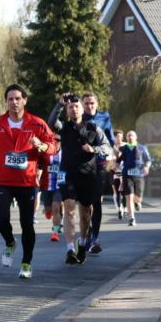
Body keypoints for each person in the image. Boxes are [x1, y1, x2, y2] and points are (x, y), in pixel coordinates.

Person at [0, 84, 58, 279]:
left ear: (24, 100)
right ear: (6, 102)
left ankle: (26, 263)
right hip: (2, 180)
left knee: (27, 224)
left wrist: (41, 145)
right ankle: (9, 242)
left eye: (17, 98)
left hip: (27, 182)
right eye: (10, 99)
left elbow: (53, 147)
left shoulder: (37, 124)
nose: (14, 102)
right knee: (2, 220)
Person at [47, 93, 112, 264]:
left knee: (85, 214)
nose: (74, 109)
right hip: (67, 174)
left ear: (82, 109)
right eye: (70, 107)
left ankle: (82, 244)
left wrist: (94, 150)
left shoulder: (93, 128)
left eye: (76, 106)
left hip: (87, 175)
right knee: (68, 208)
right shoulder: (63, 127)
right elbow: (51, 123)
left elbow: (108, 148)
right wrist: (59, 105)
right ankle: (69, 250)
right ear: (67, 110)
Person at [81, 92, 115, 254]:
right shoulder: (78, 118)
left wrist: (111, 157)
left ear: (97, 103)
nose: (90, 106)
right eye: (86, 103)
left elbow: (111, 141)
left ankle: (94, 237)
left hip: (100, 164)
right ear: (82, 105)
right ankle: (85, 234)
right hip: (81, 165)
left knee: (96, 201)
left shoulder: (104, 117)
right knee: (85, 203)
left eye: (92, 103)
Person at [118, 131, 152, 226]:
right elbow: (118, 160)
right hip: (127, 174)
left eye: (131, 135)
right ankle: (132, 218)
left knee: (138, 198)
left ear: (136, 137)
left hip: (139, 175)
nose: (130, 137)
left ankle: (137, 202)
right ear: (126, 138)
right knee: (129, 197)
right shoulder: (123, 148)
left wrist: (146, 166)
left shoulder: (142, 148)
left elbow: (148, 160)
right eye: (128, 135)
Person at [38, 149, 65, 243]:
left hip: (60, 185)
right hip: (46, 185)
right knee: (49, 210)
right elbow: (38, 165)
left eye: (59, 141)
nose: (57, 143)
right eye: (55, 140)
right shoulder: (45, 152)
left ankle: (55, 233)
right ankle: (48, 212)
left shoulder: (65, 152)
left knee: (56, 208)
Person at [111, 130, 125, 219]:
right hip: (114, 170)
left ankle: (124, 207)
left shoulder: (126, 146)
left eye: (121, 136)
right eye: (118, 137)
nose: (119, 138)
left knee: (124, 190)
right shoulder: (111, 146)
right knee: (116, 190)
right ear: (114, 137)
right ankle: (119, 208)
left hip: (125, 170)